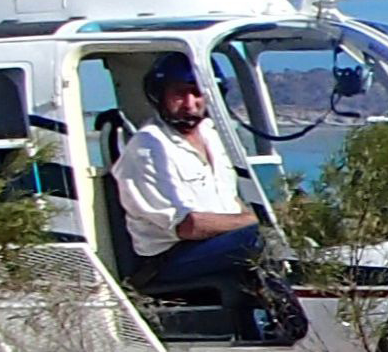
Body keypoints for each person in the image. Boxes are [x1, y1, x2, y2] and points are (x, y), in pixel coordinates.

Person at [113, 51, 270, 302]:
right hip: (170, 258)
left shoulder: (212, 135)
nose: (189, 104)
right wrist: (260, 220)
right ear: (160, 96)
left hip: (217, 244)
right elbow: (189, 226)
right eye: (179, 94)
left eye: (196, 93)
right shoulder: (148, 148)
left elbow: (230, 200)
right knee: (263, 237)